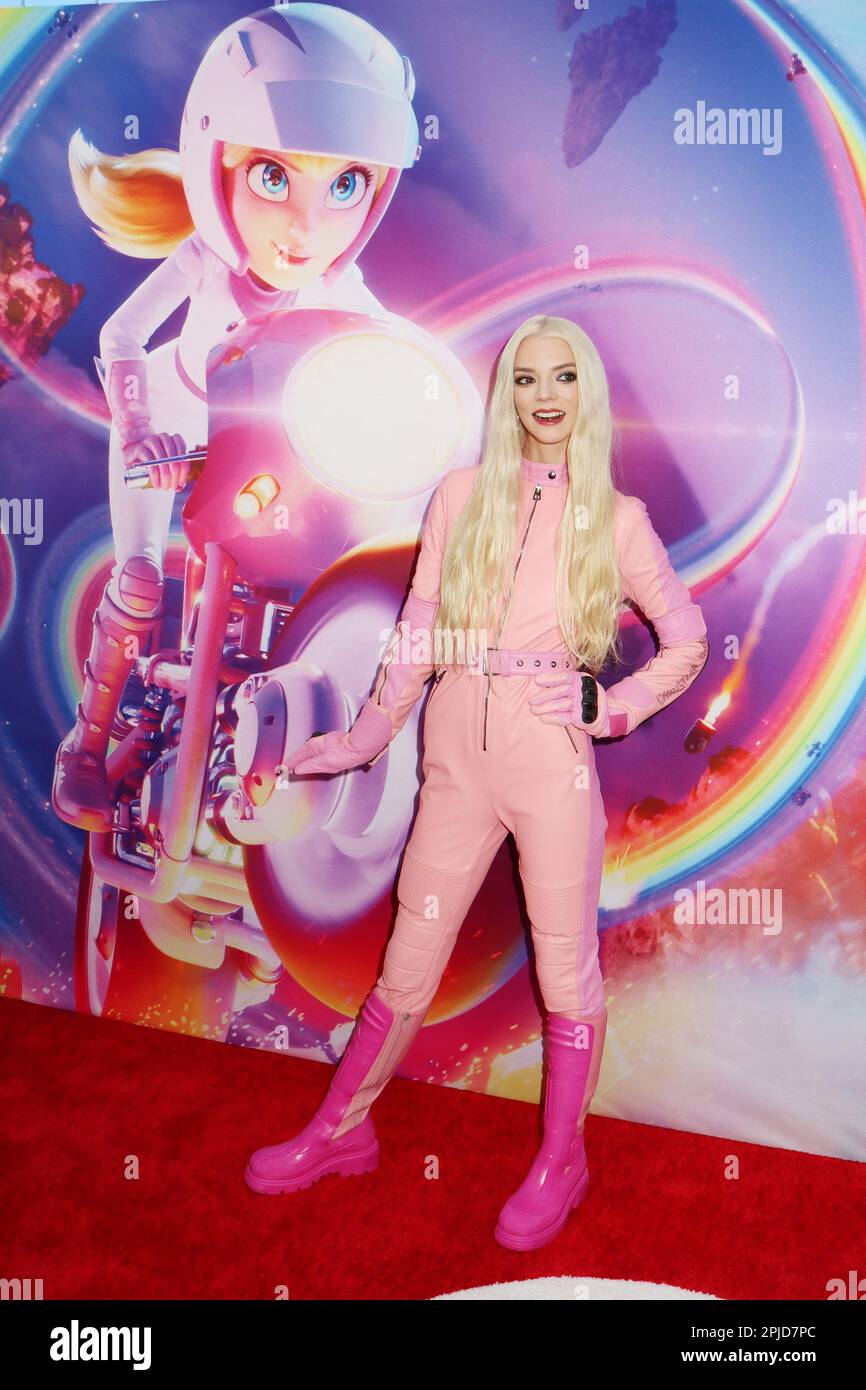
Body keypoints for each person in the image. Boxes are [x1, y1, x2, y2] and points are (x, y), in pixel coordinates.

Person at [244, 313, 711, 1252]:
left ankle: (562, 1161)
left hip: (551, 764)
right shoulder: (459, 497)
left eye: (563, 378)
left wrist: (612, 709)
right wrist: (367, 734)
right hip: (453, 754)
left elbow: (689, 642)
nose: (545, 396)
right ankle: (341, 1129)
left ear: (587, 392)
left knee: (562, 966)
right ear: (507, 395)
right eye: (528, 379)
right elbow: (417, 631)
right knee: (408, 957)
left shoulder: (619, 522)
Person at [52, 2, 419, 832]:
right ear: (216, 163)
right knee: (140, 581)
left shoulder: (339, 291)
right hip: (170, 434)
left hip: (268, 455)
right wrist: (140, 422)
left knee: (321, 584)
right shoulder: (205, 260)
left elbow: (395, 339)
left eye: (346, 185)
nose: (305, 224)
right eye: (272, 175)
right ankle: (89, 738)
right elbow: (122, 333)